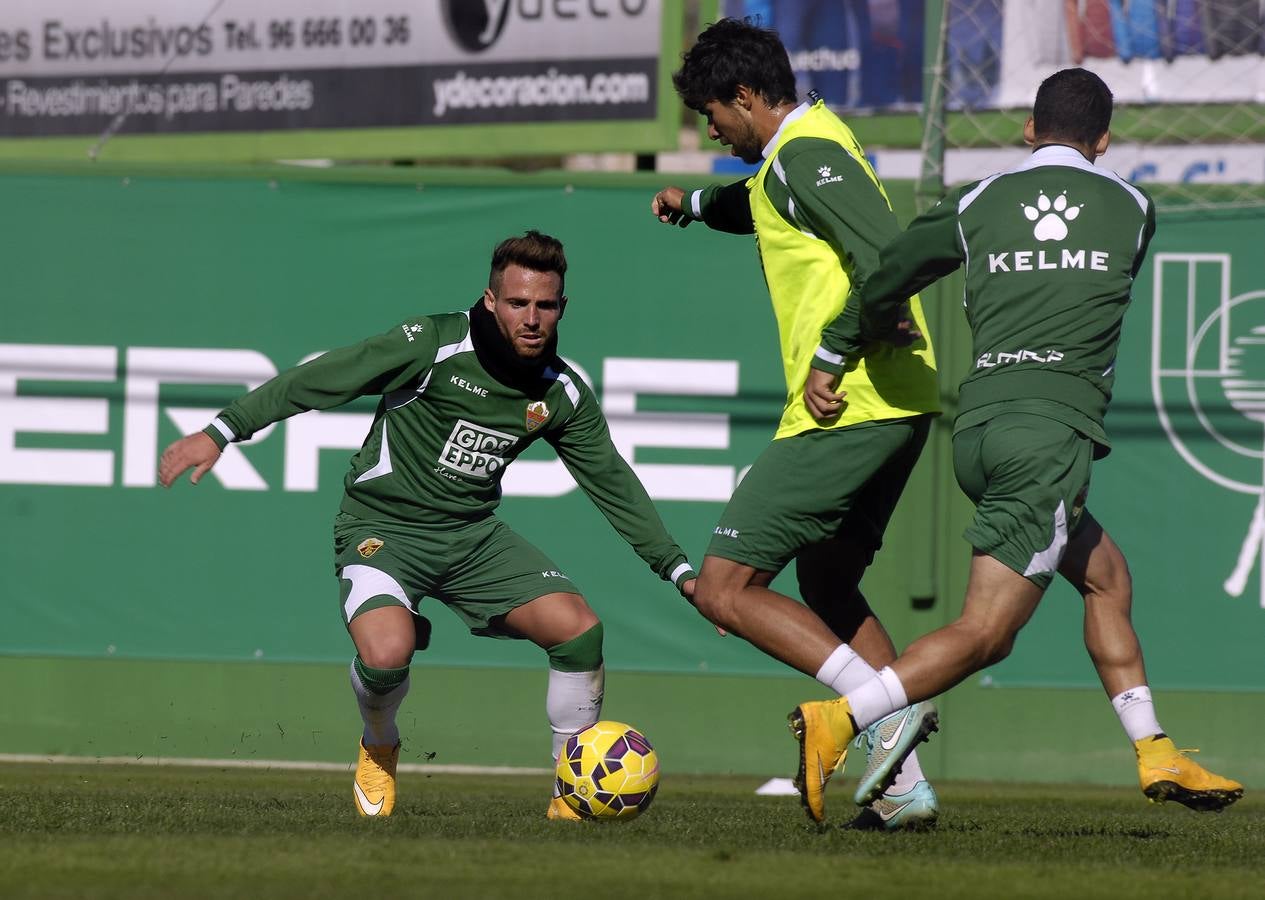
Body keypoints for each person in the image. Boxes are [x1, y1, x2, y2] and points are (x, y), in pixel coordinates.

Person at [795, 67, 1243, 821]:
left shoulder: (974, 202)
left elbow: (888, 274)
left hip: (979, 432)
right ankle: (841, 718)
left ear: (1027, 128)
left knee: (1106, 579)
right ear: (1104, 139)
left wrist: (837, 350)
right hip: (1048, 439)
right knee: (986, 634)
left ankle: (1154, 748)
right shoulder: (1135, 209)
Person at [158, 231, 697, 821]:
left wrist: (678, 570)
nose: (533, 317)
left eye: (546, 305)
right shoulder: (432, 344)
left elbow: (613, 484)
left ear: (562, 308)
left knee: (580, 632)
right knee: (388, 656)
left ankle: (573, 794)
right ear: (491, 300)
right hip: (382, 528)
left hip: (473, 537)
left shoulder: (561, 392)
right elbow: (322, 378)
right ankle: (379, 744)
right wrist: (222, 431)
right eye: (518, 303)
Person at [650, 17, 942, 829]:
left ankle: (865, 708)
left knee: (724, 587)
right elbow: (760, 202)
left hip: (845, 405)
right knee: (825, 582)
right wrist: (695, 204)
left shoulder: (808, 154)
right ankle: (904, 784)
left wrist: (830, 354)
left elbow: (895, 253)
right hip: (891, 404)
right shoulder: (801, 149)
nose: (709, 129)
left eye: (712, 114)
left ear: (745, 97)